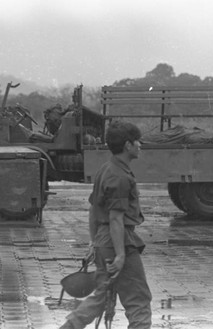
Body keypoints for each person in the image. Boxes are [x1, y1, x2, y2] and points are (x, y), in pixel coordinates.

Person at [60, 121, 152, 329]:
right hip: (119, 242)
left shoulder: (106, 169)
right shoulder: (119, 177)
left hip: (104, 241)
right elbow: (116, 219)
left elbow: (93, 209)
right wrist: (120, 255)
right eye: (137, 141)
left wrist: (94, 243)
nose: (140, 145)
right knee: (138, 300)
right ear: (128, 145)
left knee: (101, 296)